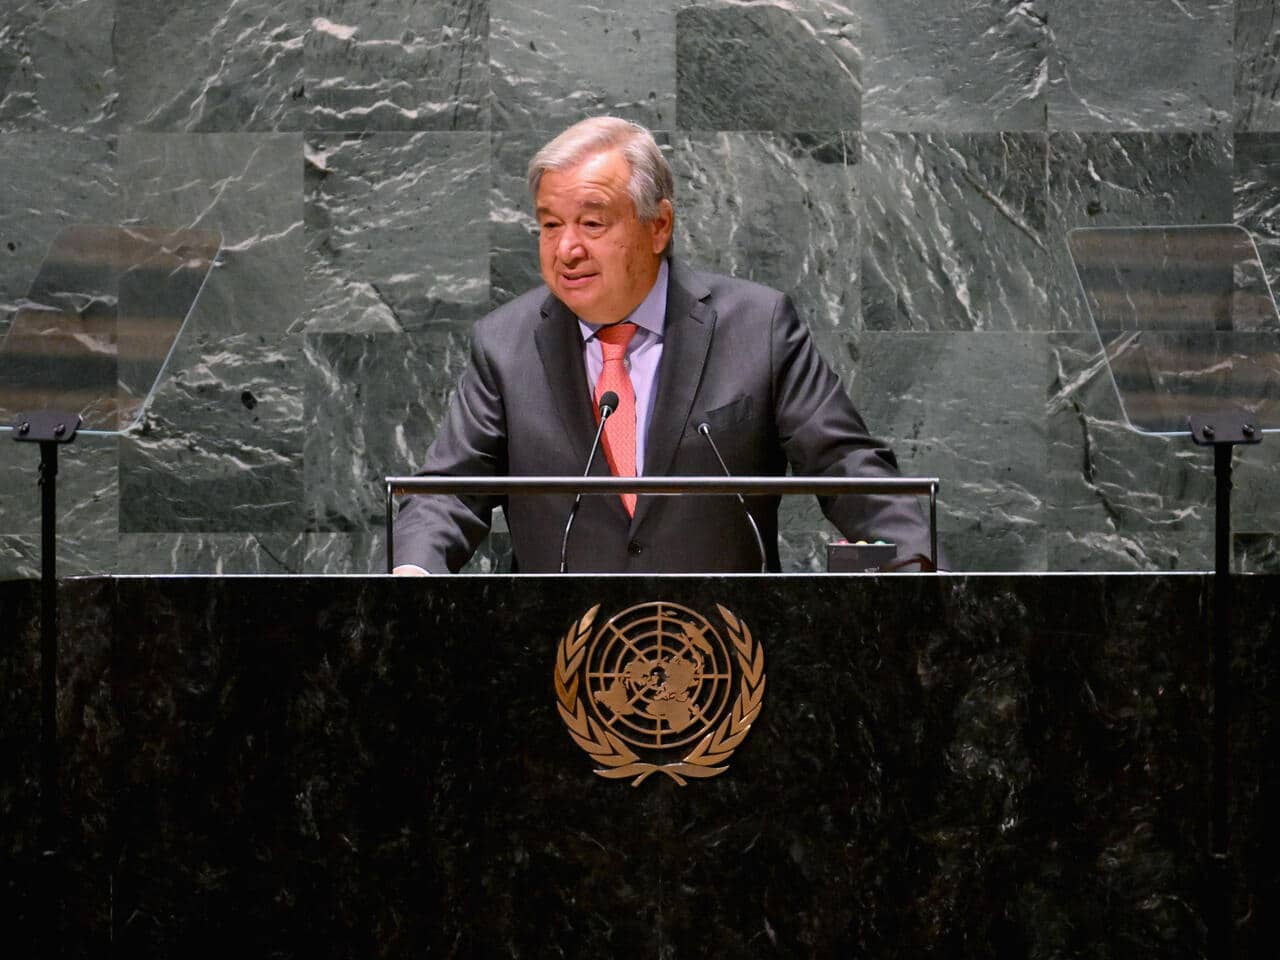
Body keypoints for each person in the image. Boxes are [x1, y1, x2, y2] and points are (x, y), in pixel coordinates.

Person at [392, 117, 935, 574]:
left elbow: (845, 463)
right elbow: (448, 492)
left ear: (659, 226)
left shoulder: (757, 327)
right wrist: (413, 573)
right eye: (551, 225)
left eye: (592, 223)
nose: (566, 249)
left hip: (726, 648)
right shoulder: (504, 345)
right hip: (561, 652)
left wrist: (914, 564)